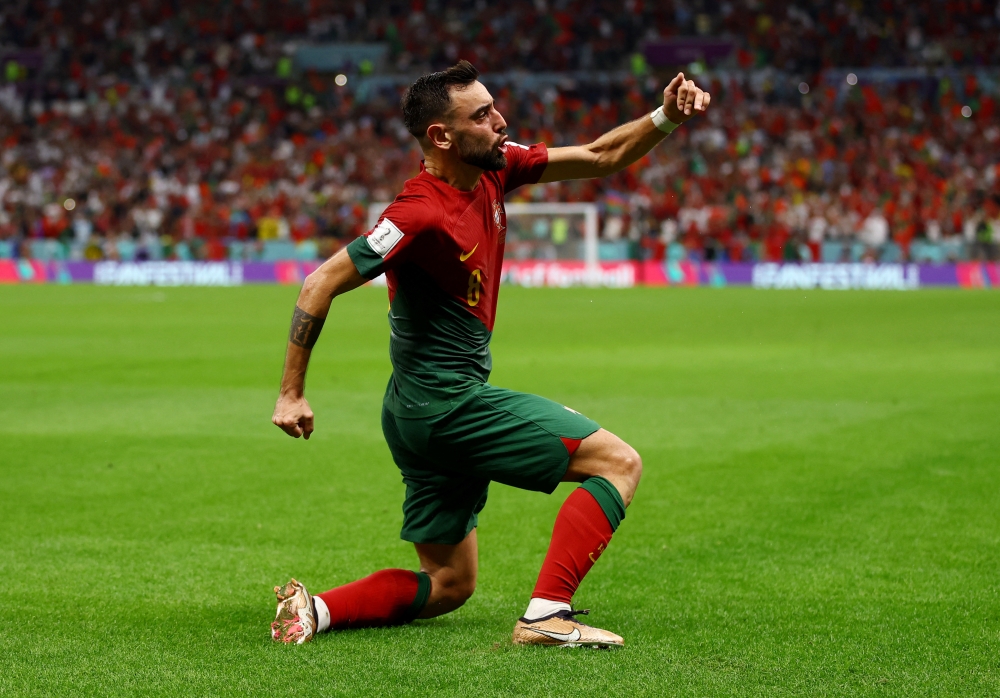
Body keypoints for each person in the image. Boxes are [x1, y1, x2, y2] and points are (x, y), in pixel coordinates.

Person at [270, 61, 710, 648]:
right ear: (441, 137)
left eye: (494, 106)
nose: (501, 121)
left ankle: (314, 612)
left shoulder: (496, 165)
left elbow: (603, 155)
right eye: (482, 115)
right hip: (447, 406)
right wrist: (291, 392)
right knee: (617, 463)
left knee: (449, 583)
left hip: (411, 411)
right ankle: (546, 615)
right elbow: (318, 283)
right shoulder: (417, 212)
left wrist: (664, 117)